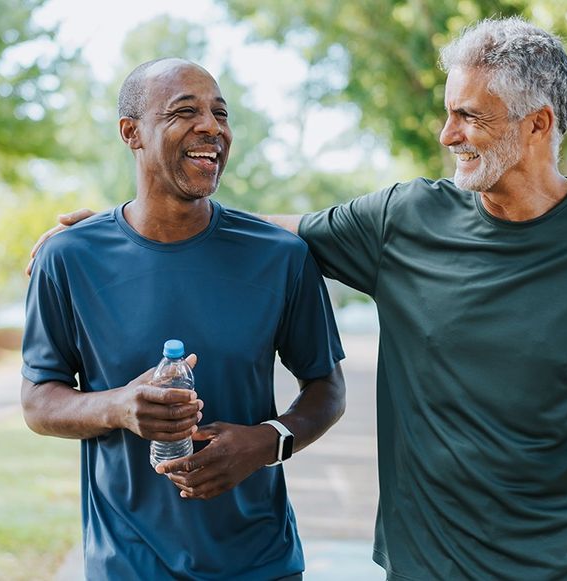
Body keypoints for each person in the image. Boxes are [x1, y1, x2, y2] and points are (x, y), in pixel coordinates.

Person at [30, 18, 567, 579]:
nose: (447, 135)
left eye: (468, 116)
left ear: (538, 126)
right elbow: (260, 232)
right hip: (426, 565)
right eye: (448, 113)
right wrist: (117, 222)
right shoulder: (405, 219)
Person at [21, 58, 346, 580]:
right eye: (184, 112)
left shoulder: (281, 256)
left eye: (220, 113)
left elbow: (327, 388)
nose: (212, 127)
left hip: (260, 563)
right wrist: (120, 407)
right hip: (127, 564)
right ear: (133, 133)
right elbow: (39, 402)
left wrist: (267, 441)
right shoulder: (70, 258)